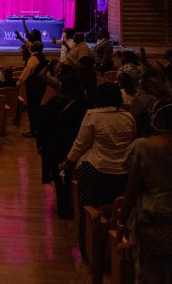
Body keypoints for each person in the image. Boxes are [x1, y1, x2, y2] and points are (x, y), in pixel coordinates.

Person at [64, 82, 137, 258]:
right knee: (117, 213)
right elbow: (132, 143)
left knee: (89, 212)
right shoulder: (128, 117)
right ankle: (114, 254)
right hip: (123, 172)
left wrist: (68, 162)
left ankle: (89, 251)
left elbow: (80, 144)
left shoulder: (93, 116)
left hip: (96, 170)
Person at [121, 99, 172, 283]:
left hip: (153, 221)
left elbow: (132, 189)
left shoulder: (143, 146)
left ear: (158, 120)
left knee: (151, 274)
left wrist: (121, 221)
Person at [36, 77, 89, 219]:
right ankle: (79, 208)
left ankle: (64, 209)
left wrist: (40, 145)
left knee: (61, 178)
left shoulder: (52, 103)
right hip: (76, 145)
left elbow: (41, 126)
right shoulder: (83, 105)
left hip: (55, 146)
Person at [17, 40, 49, 138]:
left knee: (32, 109)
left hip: (33, 86)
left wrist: (19, 82)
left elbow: (27, 71)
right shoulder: (42, 56)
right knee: (36, 108)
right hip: (41, 85)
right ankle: (37, 129)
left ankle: (33, 130)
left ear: (32, 48)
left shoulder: (33, 59)